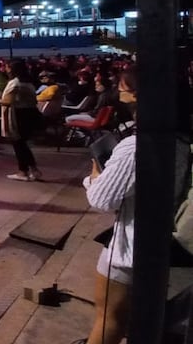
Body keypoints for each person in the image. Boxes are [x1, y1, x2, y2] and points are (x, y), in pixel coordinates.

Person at [73, 69, 138, 344]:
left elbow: (101, 199)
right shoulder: (177, 130)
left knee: (109, 318)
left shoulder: (135, 146)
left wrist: (94, 175)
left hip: (129, 251)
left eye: (122, 86)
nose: (118, 92)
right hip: (155, 246)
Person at [0, 60, 43, 181]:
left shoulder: (15, 83)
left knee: (18, 144)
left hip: (18, 115)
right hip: (29, 113)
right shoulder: (29, 83)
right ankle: (33, 169)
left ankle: (23, 171)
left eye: (7, 67)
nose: (6, 69)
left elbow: (8, 101)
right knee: (22, 143)